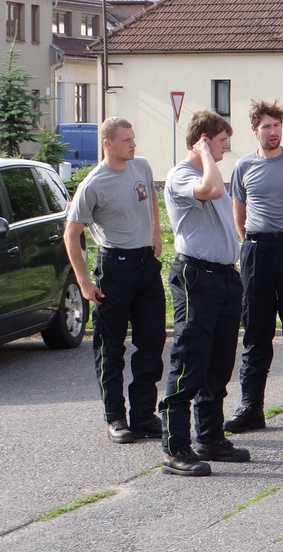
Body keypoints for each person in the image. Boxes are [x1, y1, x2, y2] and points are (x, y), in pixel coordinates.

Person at [158, 110, 250, 477]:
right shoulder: (182, 175)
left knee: (219, 363)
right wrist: (205, 156)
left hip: (225, 278)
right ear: (203, 140)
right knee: (189, 360)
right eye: (222, 140)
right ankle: (175, 447)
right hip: (197, 276)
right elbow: (211, 190)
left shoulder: (208, 172)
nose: (227, 146)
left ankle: (210, 437)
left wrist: (209, 157)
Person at [63, 118, 166, 444]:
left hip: (146, 266)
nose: (133, 145)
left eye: (133, 138)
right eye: (126, 140)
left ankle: (144, 414)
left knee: (152, 342)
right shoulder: (93, 184)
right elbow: (71, 234)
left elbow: (151, 197)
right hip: (115, 267)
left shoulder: (141, 166)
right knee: (111, 347)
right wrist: (83, 282)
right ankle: (115, 417)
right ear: (107, 144)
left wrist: (155, 231)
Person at [225, 100, 283, 434]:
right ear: (255, 130)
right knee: (255, 331)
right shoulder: (243, 166)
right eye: (266, 126)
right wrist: (254, 244)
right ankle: (251, 407)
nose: (273, 132)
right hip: (256, 252)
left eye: (277, 125)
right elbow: (239, 215)